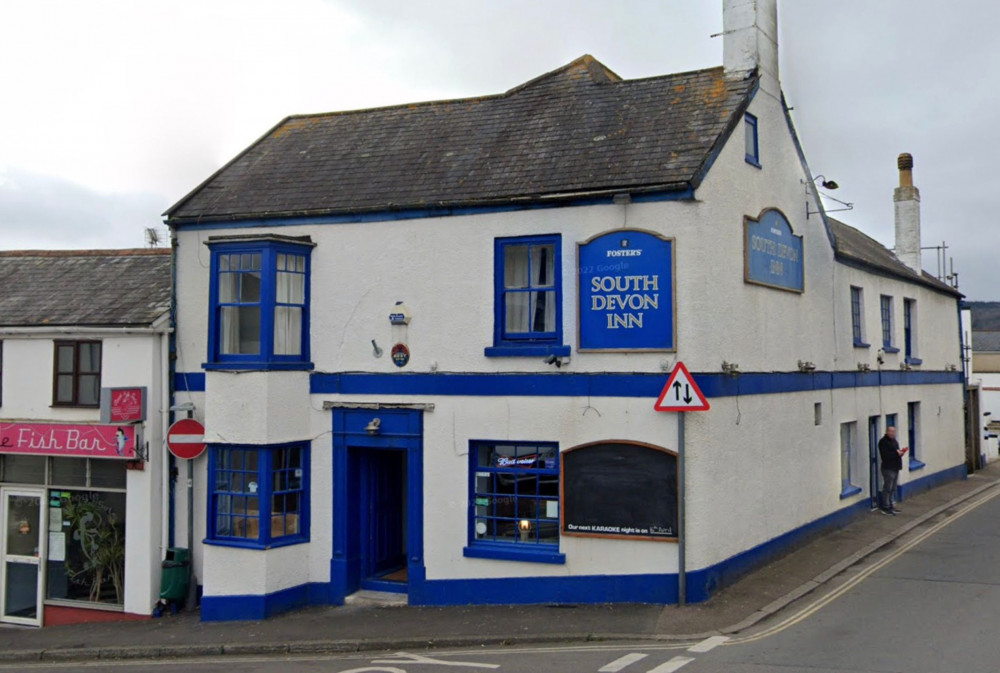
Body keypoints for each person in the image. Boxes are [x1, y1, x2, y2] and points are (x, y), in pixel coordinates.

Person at [878, 426, 908, 515]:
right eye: (890, 431)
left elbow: (896, 452)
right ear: (887, 432)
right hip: (888, 468)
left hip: (895, 467)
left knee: (893, 488)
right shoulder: (883, 442)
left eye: (894, 432)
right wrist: (896, 453)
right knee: (887, 488)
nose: (892, 433)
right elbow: (885, 456)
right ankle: (885, 507)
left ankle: (891, 506)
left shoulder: (894, 441)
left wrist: (901, 453)